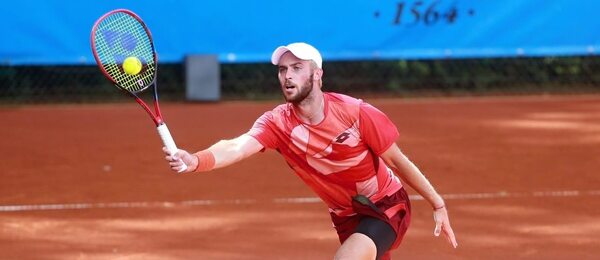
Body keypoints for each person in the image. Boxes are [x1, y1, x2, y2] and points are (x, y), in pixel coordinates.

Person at [164, 42, 458, 260]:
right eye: (282, 70)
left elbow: (397, 160)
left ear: (318, 75)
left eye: (296, 68)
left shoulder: (356, 113)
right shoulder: (277, 122)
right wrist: (196, 161)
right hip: (346, 215)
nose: (287, 76)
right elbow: (237, 146)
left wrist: (438, 203)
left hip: (385, 206)